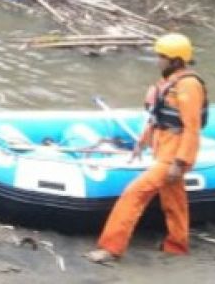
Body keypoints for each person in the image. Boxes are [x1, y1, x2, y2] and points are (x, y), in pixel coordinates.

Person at [86, 33, 208, 264]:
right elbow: (158, 118)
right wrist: (142, 142)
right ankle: (177, 245)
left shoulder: (189, 86)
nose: (157, 60)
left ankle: (111, 248)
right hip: (164, 149)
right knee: (174, 199)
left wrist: (179, 162)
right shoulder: (169, 82)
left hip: (174, 154)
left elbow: (191, 128)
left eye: (162, 56)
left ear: (176, 60)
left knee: (134, 193)